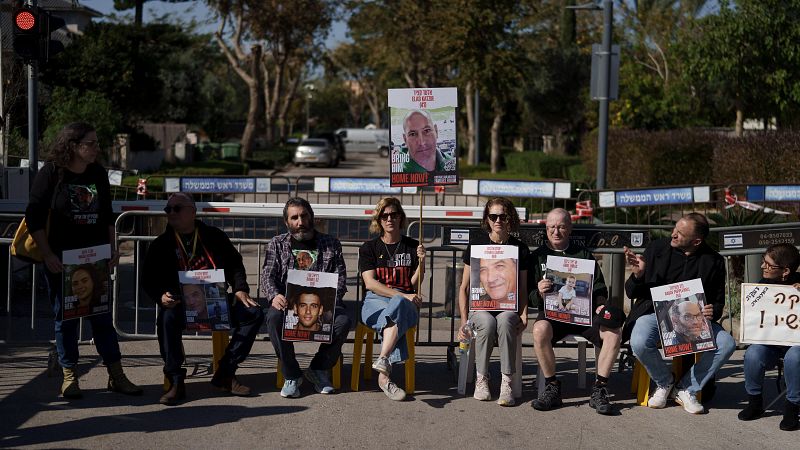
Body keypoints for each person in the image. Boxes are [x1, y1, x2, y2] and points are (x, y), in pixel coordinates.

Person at [25, 122, 141, 399]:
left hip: (95, 259)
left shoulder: (97, 173)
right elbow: (34, 216)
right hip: (61, 262)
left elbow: (106, 215)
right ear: (74, 146)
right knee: (65, 319)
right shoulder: (51, 173)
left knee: (101, 319)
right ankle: (69, 377)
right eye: (91, 143)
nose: (96, 148)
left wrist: (113, 249)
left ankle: (116, 375)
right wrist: (48, 254)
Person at [143, 193, 264, 405]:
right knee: (166, 318)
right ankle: (176, 381)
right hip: (180, 303)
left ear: (192, 211)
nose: (171, 213)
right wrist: (160, 296)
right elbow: (148, 279)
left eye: (176, 208)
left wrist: (240, 289)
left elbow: (234, 263)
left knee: (253, 312)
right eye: (167, 210)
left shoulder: (214, 236)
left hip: (214, 300)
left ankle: (225, 372)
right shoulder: (161, 244)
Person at [624, 212, 736, 414]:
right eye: (674, 229)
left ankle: (686, 388)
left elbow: (717, 302)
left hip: (694, 319)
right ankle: (664, 381)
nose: (673, 235)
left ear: (696, 241)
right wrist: (638, 275)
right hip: (655, 315)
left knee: (727, 343)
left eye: (680, 233)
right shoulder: (657, 249)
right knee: (639, 341)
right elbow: (632, 292)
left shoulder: (714, 261)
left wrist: (713, 310)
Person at [530, 208, 621, 415]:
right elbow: (528, 296)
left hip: (583, 314)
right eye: (552, 227)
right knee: (539, 330)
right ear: (546, 229)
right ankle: (552, 387)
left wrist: (599, 303)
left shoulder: (584, 255)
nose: (556, 231)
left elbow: (599, 288)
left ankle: (599, 389)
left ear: (569, 228)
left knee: (614, 333)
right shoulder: (538, 256)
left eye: (561, 226)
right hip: (553, 314)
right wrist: (539, 292)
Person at [262, 197, 351, 397]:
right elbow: (267, 276)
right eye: (294, 218)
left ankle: (318, 369)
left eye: (304, 216)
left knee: (343, 322)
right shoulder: (277, 244)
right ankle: (292, 374)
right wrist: (274, 296)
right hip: (287, 304)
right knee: (274, 318)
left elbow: (341, 279)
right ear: (287, 222)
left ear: (312, 217)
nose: (300, 222)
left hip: (323, 304)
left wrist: (329, 301)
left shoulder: (331, 243)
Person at [458, 197, 528, 406]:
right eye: (493, 216)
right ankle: (482, 378)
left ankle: (507, 381)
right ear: (487, 219)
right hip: (480, 309)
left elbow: (522, 288)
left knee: (505, 321)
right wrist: (464, 321)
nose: (498, 220)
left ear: (510, 218)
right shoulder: (476, 245)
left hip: (508, 308)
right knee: (487, 324)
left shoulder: (520, 249)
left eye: (503, 216)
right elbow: (464, 287)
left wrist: (523, 315)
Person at [359, 197, 425, 401]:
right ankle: (385, 371)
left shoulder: (413, 246)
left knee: (398, 309)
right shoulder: (369, 248)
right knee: (397, 310)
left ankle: (383, 369)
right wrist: (404, 295)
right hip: (374, 300)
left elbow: (414, 283)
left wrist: (423, 262)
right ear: (378, 220)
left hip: (405, 303)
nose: (389, 219)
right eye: (384, 215)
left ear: (401, 218)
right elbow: (370, 283)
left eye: (394, 215)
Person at [738, 243, 800, 431]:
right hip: (772, 343)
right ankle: (755, 402)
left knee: (794, 357)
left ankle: (792, 406)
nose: (762, 266)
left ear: (785, 271)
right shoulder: (761, 286)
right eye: (763, 262)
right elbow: (755, 318)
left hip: (796, 344)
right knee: (753, 354)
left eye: (768, 264)